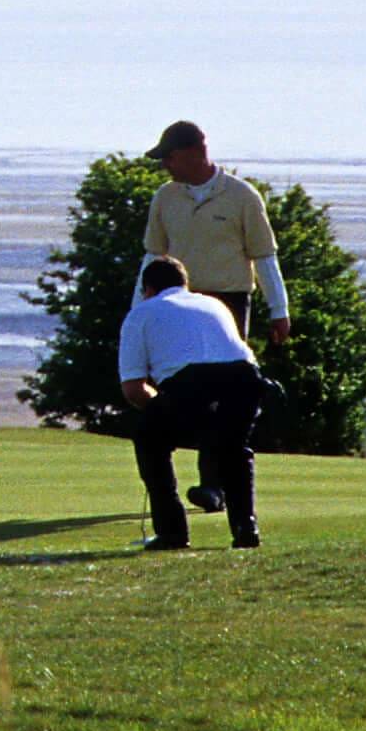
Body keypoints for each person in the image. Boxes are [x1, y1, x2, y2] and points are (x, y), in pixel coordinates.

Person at [119, 254, 262, 550]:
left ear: (147, 289)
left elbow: (134, 390)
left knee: (148, 437)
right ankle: (245, 528)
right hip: (247, 379)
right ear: (185, 283)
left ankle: (172, 531)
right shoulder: (213, 304)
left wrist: (162, 411)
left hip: (191, 381)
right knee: (234, 449)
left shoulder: (141, 313)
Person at [139, 119, 293, 344]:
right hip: (178, 302)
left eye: (170, 157)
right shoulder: (165, 197)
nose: (165, 165)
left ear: (197, 152)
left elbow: (264, 255)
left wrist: (279, 310)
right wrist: (139, 310)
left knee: (226, 374)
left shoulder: (242, 196)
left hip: (228, 304)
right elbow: (153, 255)